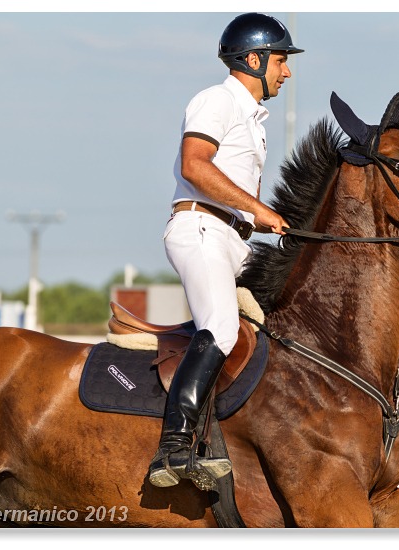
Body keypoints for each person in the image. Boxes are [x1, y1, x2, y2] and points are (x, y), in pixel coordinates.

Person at [148, 12, 303, 490]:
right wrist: (258, 209)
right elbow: (195, 165)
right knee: (220, 327)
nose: (287, 71)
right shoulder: (217, 99)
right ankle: (172, 450)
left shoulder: (252, 116)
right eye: (280, 60)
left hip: (231, 237)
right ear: (253, 60)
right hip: (201, 228)